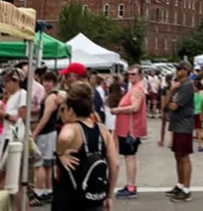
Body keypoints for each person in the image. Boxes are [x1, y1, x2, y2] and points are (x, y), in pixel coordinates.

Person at [54, 82, 118, 210]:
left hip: (69, 197)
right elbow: (115, 165)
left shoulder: (71, 127)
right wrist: (109, 195)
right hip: (95, 196)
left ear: (71, 111)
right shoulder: (103, 130)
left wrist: (60, 153)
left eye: (63, 109)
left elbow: (64, 137)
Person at [110, 65, 147, 199]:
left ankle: (131, 186)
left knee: (129, 156)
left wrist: (118, 110)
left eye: (134, 74)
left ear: (140, 75)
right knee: (129, 156)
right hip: (127, 128)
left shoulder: (137, 89)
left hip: (130, 129)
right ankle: (130, 184)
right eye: (129, 74)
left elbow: (135, 107)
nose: (131, 76)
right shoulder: (134, 88)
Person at [164, 61, 195, 201]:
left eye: (180, 68)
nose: (177, 70)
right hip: (176, 124)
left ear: (186, 70)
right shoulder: (178, 86)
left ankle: (186, 188)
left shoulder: (187, 85)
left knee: (184, 156)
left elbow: (174, 106)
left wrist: (170, 98)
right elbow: (165, 104)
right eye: (177, 68)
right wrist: (171, 91)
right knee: (177, 155)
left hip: (184, 124)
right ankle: (180, 184)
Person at [32, 70, 62, 206]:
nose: (47, 84)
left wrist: (35, 132)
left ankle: (39, 192)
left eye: (49, 81)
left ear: (54, 83)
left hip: (46, 133)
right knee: (48, 164)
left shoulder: (51, 97)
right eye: (45, 81)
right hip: (50, 133)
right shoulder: (51, 96)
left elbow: (46, 116)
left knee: (41, 164)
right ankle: (48, 191)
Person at [193, 79, 203, 153]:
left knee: (191, 130)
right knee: (199, 130)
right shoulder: (201, 96)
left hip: (192, 114)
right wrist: (202, 115)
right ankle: (199, 145)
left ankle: (189, 145)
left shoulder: (191, 96)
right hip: (198, 114)